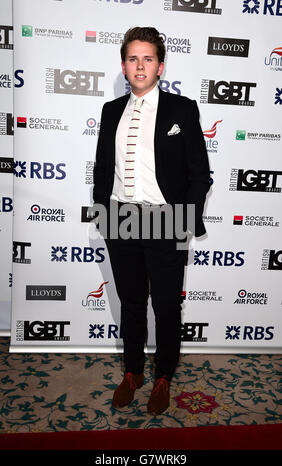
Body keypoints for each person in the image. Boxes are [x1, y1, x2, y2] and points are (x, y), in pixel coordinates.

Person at [93, 27, 210, 415]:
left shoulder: (182, 109)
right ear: (123, 66)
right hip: (120, 218)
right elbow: (101, 167)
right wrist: (101, 209)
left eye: (147, 59)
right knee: (130, 302)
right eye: (132, 58)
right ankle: (133, 372)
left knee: (164, 304)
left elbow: (200, 174)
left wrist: (185, 219)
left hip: (165, 220)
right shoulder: (111, 111)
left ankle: (163, 375)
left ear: (160, 66)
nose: (139, 65)